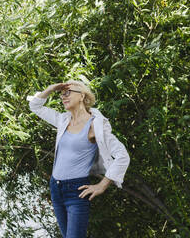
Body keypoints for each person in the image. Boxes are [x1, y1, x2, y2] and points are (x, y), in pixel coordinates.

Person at [27, 80, 130, 238]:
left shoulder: (95, 126)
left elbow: (122, 156)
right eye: (61, 94)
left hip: (76, 192)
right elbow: (35, 106)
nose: (63, 97)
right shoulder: (63, 120)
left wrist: (102, 185)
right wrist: (51, 88)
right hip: (56, 188)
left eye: (68, 92)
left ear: (82, 96)